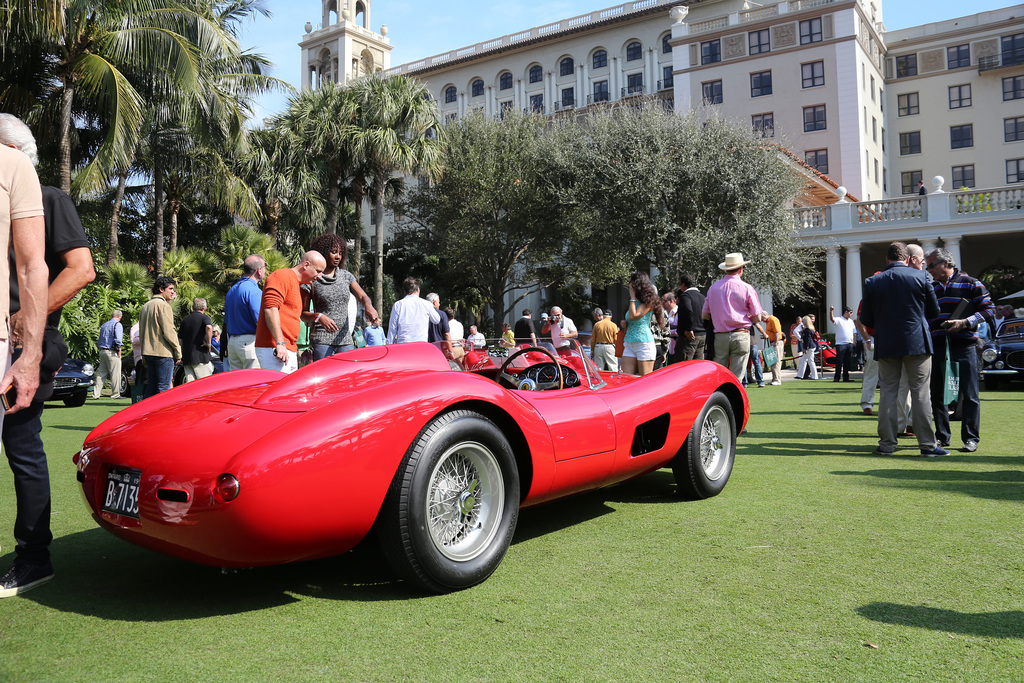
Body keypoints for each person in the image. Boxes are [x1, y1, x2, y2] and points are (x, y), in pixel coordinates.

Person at [1, 113, 92, 598]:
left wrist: (29, 321)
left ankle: (33, 558)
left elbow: (81, 270)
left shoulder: (48, 197)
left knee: (23, 450)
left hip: (24, 346)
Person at [860, 241, 945, 457]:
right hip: (917, 341)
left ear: (887, 260)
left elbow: (867, 318)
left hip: (887, 341)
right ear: (907, 259)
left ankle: (887, 444)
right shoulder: (922, 276)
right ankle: (927, 445)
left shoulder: (873, 281)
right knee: (920, 393)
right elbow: (934, 311)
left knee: (888, 392)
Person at [925, 247, 995, 453]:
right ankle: (942, 437)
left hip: (965, 345)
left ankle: (971, 438)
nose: (929, 270)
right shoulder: (931, 288)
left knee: (970, 393)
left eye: (931, 265)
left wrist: (965, 322)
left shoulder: (972, 283)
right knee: (936, 394)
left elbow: (988, 310)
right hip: (938, 345)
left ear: (946, 263)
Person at [307, 233, 379, 360]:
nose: (337, 257)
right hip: (322, 340)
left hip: (346, 340)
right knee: (325, 379)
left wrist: (369, 306)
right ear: (323, 253)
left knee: (348, 378)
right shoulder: (313, 279)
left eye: (340, 253)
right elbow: (303, 314)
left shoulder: (346, 276)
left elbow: (362, 296)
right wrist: (319, 317)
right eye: (334, 252)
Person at [255, 251, 326, 373]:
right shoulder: (282, 276)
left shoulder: (296, 283)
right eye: (318, 271)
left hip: (286, 348)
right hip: (275, 348)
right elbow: (271, 309)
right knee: (278, 391)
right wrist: (279, 342)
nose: (320, 276)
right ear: (306, 265)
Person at [702, 252, 766, 379]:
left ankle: (721, 397)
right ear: (741, 269)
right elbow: (757, 317)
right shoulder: (747, 288)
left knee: (719, 375)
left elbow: (705, 315)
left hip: (720, 336)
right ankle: (734, 397)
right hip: (741, 334)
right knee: (737, 376)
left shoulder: (714, 288)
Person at [139, 276, 181, 397]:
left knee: (151, 387)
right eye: (170, 289)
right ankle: (162, 416)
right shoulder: (163, 306)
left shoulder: (145, 306)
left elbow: (142, 332)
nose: (173, 292)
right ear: (161, 289)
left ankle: (147, 414)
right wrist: (178, 351)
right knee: (164, 387)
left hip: (148, 352)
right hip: (163, 353)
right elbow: (169, 331)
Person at [223, 254, 266, 370]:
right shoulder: (253, 290)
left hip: (232, 342)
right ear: (259, 270)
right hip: (249, 341)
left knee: (238, 383)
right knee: (254, 382)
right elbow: (260, 321)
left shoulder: (232, 290)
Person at [621, 271, 663, 376]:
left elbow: (633, 316)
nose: (629, 285)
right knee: (626, 378)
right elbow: (630, 318)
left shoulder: (649, 301)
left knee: (644, 381)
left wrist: (633, 298)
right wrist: (625, 323)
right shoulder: (636, 301)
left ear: (637, 284)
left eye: (630, 282)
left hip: (644, 344)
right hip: (629, 342)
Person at [387, 277, 440, 344]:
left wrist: (389, 344)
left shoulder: (398, 305)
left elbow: (392, 329)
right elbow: (437, 320)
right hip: (421, 345)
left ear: (405, 291)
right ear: (418, 290)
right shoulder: (426, 304)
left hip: (403, 344)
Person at [178, 297, 214, 383]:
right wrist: (209, 344)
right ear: (205, 308)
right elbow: (209, 327)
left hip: (187, 357)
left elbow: (180, 339)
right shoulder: (204, 318)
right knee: (205, 384)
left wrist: (182, 354)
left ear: (193, 307)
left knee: (190, 386)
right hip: (201, 356)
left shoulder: (185, 319)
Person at [676, 274, 707, 362]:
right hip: (702, 335)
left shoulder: (686, 296)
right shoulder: (702, 297)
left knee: (683, 366)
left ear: (683, 285)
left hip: (689, 337)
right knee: (697, 367)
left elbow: (687, 309)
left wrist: (688, 328)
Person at [93, 310, 123, 399]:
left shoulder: (104, 325)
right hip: (111, 351)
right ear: (120, 317)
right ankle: (115, 394)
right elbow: (118, 339)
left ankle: (96, 394)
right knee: (115, 373)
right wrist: (119, 350)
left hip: (102, 351)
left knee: (101, 374)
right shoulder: (117, 325)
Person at [829, 305, 856, 382]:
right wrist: (831, 311)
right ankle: (837, 377)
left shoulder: (851, 321)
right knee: (839, 361)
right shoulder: (839, 319)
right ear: (846, 312)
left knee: (847, 361)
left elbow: (854, 332)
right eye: (850, 313)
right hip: (841, 344)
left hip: (849, 343)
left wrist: (854, 341)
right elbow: (832, 319)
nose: (851, 314)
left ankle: (846, 377)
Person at [763, 312, 783, 385]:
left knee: (776, 361)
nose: (762, 320)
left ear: (765, 315)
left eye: (762, 318)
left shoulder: (773, 319)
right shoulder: (768, 321)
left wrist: (775, 342)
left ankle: (777, 380)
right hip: (772, 342)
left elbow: (777, 332)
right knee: (773, 361)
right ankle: (774, 378)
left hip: (776, 343)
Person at [798, 315, 820, 380]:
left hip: (810, 347)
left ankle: (814, 376)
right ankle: (800, 375)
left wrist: (805, 348)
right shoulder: (810, 328)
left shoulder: (807, 329)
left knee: (810, 361)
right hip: (811, 346)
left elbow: (807, 340)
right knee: (804, 360)